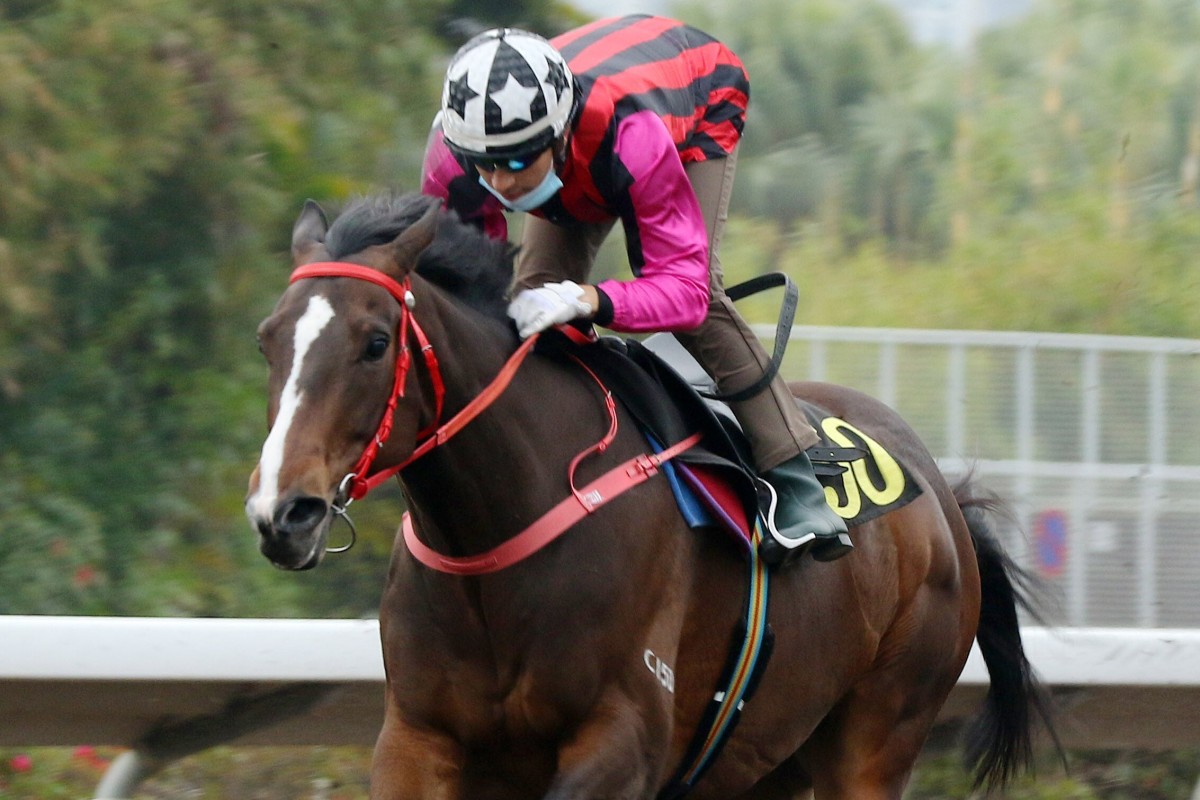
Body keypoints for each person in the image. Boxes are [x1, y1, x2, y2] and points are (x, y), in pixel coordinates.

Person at [420, 15, 850, 564]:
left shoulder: (630, 135)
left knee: (703, 305)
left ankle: (797, 476)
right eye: (486, 166)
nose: (501, 184)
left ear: (560, 134)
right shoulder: (455, 153)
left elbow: (684, 291)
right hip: (585, 139)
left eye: (519, 162)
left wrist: (591, 299)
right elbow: (464, 296)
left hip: (699, 94)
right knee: (528, 306)